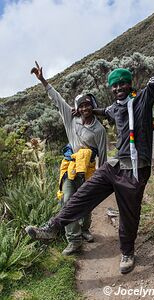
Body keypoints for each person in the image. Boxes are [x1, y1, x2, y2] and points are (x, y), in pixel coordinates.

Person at [26, 8, 154, 274]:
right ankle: (52, 228)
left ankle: (127, 252)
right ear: (111, 89)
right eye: (115, 86)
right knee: (81, 197)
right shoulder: (114, 108)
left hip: (135, 170)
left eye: (123, 84)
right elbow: (105, 111)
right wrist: (85, 109)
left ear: (130, 85)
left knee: (129, 216)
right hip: (114, 166)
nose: (119, 88)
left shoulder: (142, 100)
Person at [30, 62, 107, 255]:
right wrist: (42, 80)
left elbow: (103, 155)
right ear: (77, 108)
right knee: (67, 200)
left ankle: (85, 229)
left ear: (93, 106)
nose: (84, 108)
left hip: (88, 168)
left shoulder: (99, 130)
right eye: (81, 105)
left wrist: (103, 176)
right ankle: (74, 241)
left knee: (86, 203)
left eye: (87, 104)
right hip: (70, 167)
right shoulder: (70, 119)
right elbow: (57, 99)